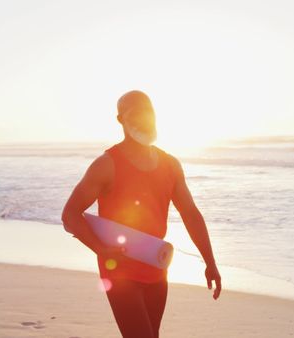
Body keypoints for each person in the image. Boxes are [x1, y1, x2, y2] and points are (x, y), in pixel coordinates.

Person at [61, 90, 221, 338]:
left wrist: (210, 262)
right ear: (120, 119)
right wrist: (100, 249)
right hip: (119, 269)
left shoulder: (170, 164)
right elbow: (70, 215)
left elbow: (191, 214)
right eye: (134, 112)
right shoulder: (107, 164)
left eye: (148, 111)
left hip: (156, 266)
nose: (143, 117)